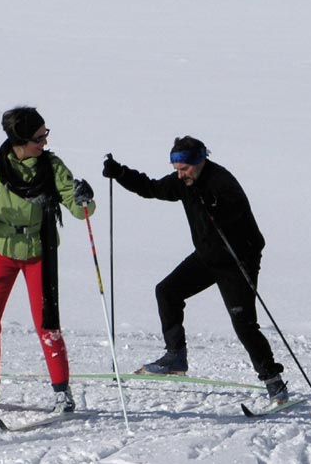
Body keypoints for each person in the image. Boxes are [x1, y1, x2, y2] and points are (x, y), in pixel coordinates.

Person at [102, 136, 289, 404]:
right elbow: (151, 188)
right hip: (207, 257)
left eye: (185, 168)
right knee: (167, 291)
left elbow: (236, 211)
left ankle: (274, 382)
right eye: (177, 169)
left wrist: (216, 205)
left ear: (200, 161)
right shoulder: (183, 182)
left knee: (244, 325)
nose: (180, 174)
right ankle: (175, 357)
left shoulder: (221, 180)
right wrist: (120, 173)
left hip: (237, 261)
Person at [0, 106, 95, 413]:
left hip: (40, 250)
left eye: (45, 136)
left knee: (46, 323)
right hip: (1, 248)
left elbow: (77, 207)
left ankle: (62, 394)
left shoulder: (52, 166)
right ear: (20, 140)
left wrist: (84, 199)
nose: (45, 143)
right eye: (39, 138)